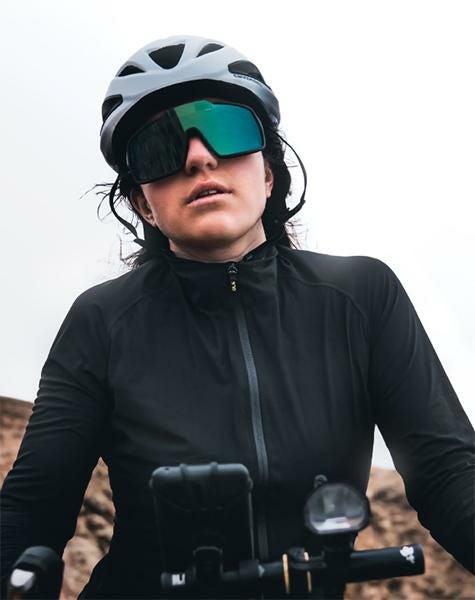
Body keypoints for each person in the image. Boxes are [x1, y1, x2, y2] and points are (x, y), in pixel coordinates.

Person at [1, 35, 473, 598]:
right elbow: (31, 511)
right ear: (143, 204)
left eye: (226, 129)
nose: (199, 157)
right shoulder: (102, 321)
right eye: (160, 146)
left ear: (268, 174)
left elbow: (449, 473)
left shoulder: (362, 296)